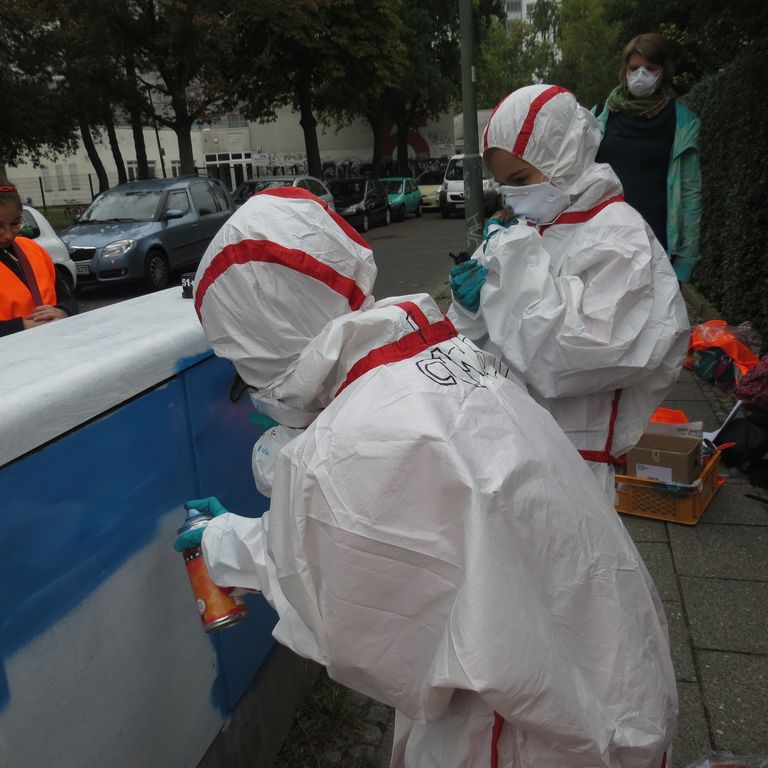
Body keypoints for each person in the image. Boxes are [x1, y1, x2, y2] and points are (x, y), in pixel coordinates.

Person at [180, 187, 676, 767]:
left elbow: (360, 618)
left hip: (534, 731)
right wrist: (254, 533)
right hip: (606, 668)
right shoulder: (434, 355)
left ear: (263, 336)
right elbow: (403, 541)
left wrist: (229, 546)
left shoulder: (357, 436)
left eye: (238, 354)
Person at [448, 84, 690, 498]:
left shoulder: (618, 233)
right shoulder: (529, 225)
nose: (513, 196)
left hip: (577, 453)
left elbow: (583, 354)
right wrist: (470, 305)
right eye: (504, 184)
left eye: (521, 179)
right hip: (509, 437)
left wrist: (502, 287)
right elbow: (481, 344)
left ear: (562, 154)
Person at [594, 32, 702, 284]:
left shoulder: (683, 122)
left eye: (650, 68)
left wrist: (686, 261)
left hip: (657, 251)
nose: (640, 74)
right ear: (625, 70)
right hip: (603, 245)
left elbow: (690, 193)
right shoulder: (598, 116)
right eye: (634, 68)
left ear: (663, 71)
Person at [0, 182, 78, 336]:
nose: (8, 235)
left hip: (51, 343)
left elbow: (68, 300)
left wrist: (63, 311)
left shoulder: (33, 249)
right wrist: (22, 326)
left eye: (15, 223)